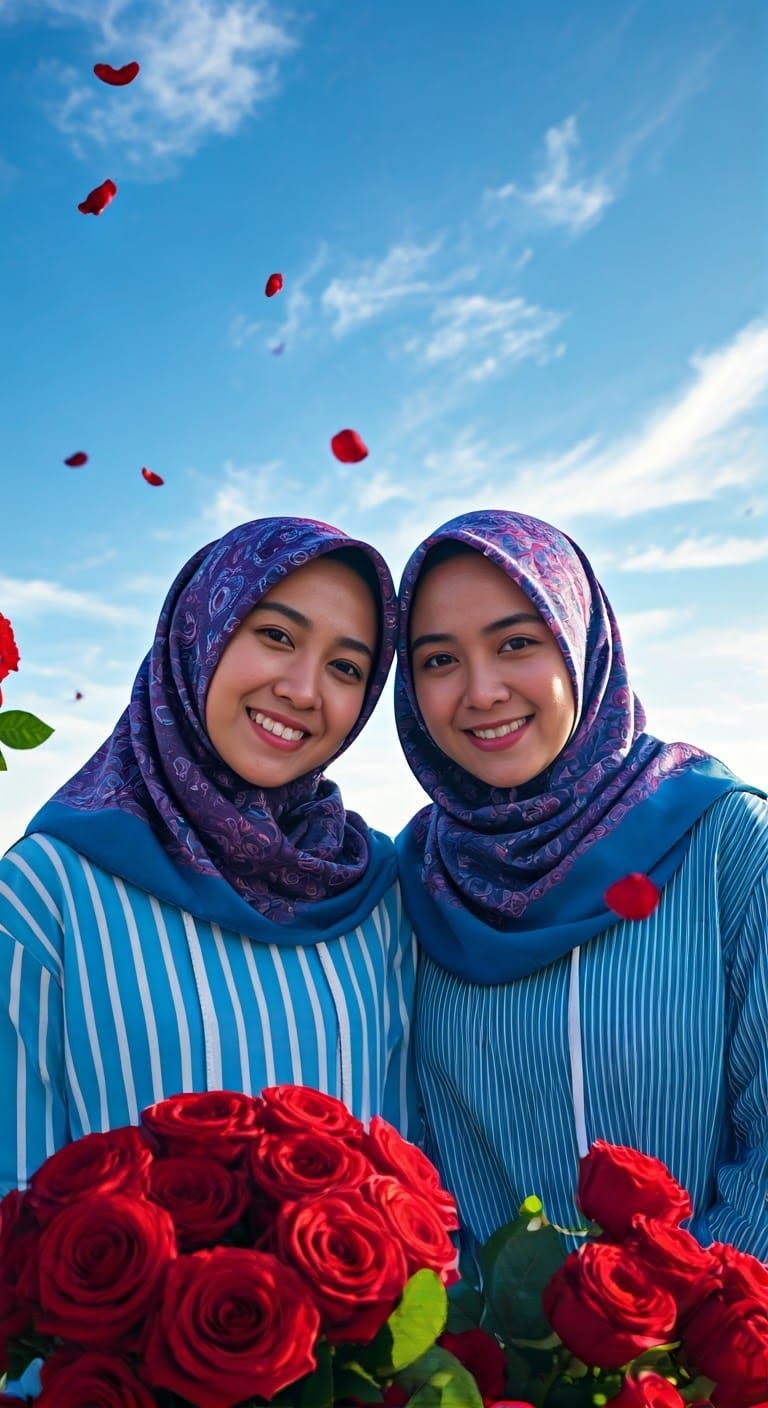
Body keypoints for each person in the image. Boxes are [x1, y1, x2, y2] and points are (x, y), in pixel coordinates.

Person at [0, 516, 417, 1196]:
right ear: (199, 633)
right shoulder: (47, 893)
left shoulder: (373, 894)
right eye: (276, 635)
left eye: (345, 667)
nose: (303, 690)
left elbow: (404, 1178)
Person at [394, 508, 768, 1260]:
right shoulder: (416, 876)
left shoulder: (724, 840)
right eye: (439, 660)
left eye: (516, 643)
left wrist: (673, 1319)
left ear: (582, 645)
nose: (482, 691)